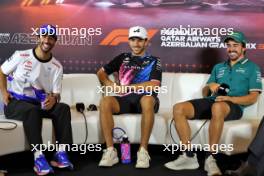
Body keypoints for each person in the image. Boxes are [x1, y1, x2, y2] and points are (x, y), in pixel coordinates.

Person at [164, 31, 262, 176]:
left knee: (217, 107)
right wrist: (209, 87)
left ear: (243, 47)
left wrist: (230, 99)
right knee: (179, 108)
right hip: (212, 101)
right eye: (228, 45)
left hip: (233, 106)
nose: (231, 48)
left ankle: (211, 158)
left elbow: (253, 97)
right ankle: (188, 156)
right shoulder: (219, 67)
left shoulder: (252, 68)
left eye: (235, 45)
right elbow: (205, 93)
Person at [0, 24, 73, 175]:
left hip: (39, 103)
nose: (47, 40)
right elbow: (2, 71)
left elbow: (56, 93)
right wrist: (4, 92)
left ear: (55, 41)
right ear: (39, 37)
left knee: (63, 108)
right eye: (45, 36)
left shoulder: (57, 66)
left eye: (51, 38)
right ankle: (38, 157)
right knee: (32, 111)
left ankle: (61, 154)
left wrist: (53, 99)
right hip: (15, 102)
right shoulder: (21, 55)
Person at [97, 26, 162, 168]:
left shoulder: (154, 60)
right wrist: (110, 84)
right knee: (105, 102)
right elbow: (101, 73)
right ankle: (110, 151)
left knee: (147, 100)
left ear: (146, 42)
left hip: (146, 100)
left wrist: (128, 87)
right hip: (125, 100)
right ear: (129, 41)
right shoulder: (122, 58)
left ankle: (143, 151)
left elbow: (154, 85)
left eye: (139, 40)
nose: (136, 43)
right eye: (132, 39)